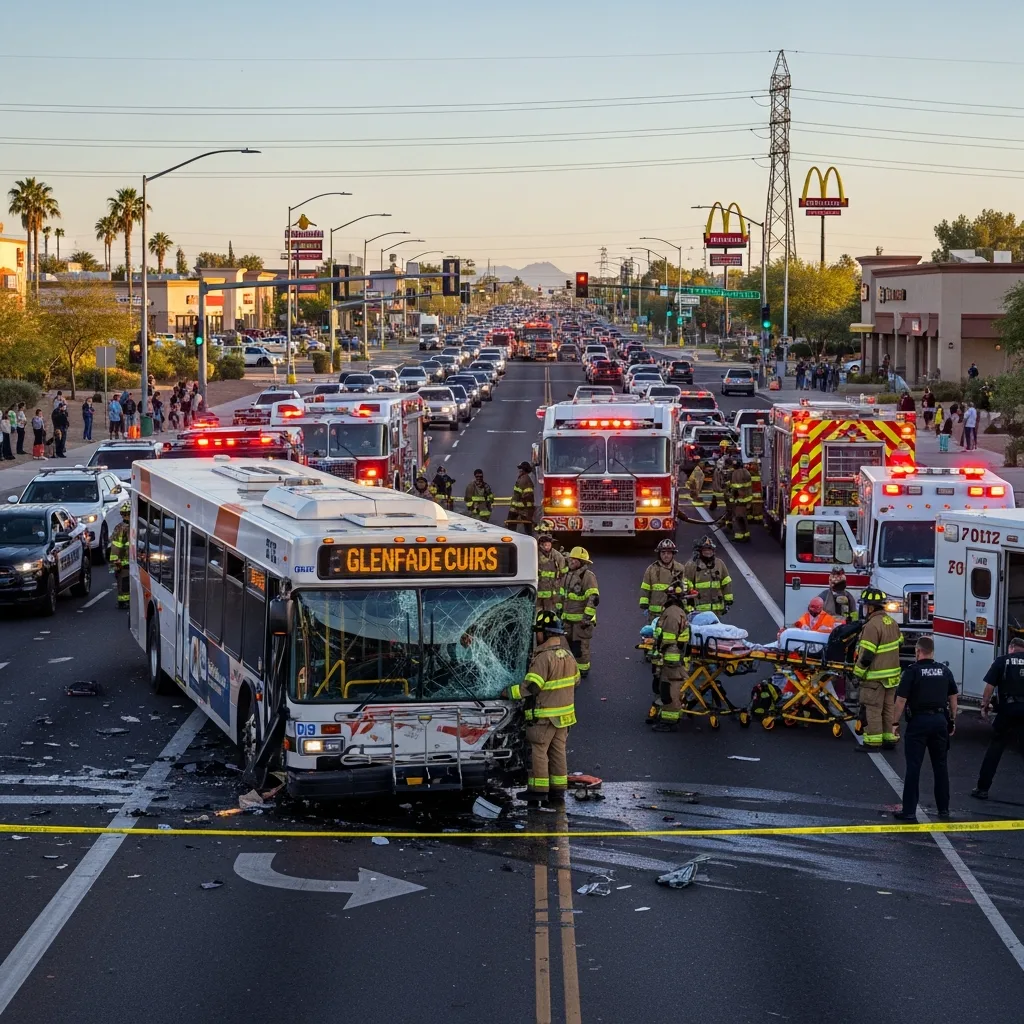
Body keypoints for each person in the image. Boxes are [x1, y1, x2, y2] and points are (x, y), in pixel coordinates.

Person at [502, 611, 579, 807]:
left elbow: (531, 688)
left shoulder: (544, 658)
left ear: (544, 633)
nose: (536, 636)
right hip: (564, 717)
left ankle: (538, 791)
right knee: (558, 752)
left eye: (538, 632)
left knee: (538, 751)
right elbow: (576, 681)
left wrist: (506, 692)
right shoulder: (568, 656)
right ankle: (557, 791)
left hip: (543, 717)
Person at [892, 635, 956, 820]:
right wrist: (952, 720)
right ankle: (943, 809)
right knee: (941, 767)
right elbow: (953, 697)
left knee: (913, 767)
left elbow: (901, 700)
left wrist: (895, 723)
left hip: (918, 723)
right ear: (933, 652)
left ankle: (909, 811)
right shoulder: (944, 670)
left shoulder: (912, 671)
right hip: (939, 722)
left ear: (917, 651)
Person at [971, 638, 1024, 800]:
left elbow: (989, 687)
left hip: (1007, 710)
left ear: (1011, 647)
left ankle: (982, 789)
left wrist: (984, 705)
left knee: (995, 749)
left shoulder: (1002, 661)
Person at [853, 588, 903, 750]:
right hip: (893, 676)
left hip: (875, 677)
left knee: (873, 708)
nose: (865, 609)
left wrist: (857, 674)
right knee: (888, 708)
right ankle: (889, 738)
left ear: (871, 607)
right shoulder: (892, 623)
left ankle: (873, 741)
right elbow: (900, 643)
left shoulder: (871, 626)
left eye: (866, 606)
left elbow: (866, 655)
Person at [652, 581, 691, 733]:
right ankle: (668, 715)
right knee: (668, 687)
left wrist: (661, 657)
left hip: (672, 658)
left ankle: (670, 720)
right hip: (674, 656)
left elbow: (668, 638)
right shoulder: (677, 611)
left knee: (670, 688)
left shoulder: (672, 613)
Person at [562, 546, 599, 677]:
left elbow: (593, 598)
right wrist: (559, 612)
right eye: (571, 559)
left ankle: (583, 671)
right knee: (567, 645)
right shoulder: (567, 575)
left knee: (580, 647)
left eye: (575, 560)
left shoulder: (587, 576)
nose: (571, 562)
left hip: (581, 621)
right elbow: (563, 596)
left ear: (582, 562)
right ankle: (570, 670)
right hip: (567, 619)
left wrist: (586, 618)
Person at [683, 535, 734, 614]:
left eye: (710, 549)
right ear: (700, 551)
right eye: (705, 550)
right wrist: (688, 604)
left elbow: (726, 582)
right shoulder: (691, 565)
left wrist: (728, 601)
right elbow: (685, 584)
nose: (708, 552)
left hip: (716, 610)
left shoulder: (719, 564)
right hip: (698, 610)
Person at [639, 538, 686, 623]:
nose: (666, 555)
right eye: (663, 553)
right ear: (659, 554)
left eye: (668, 553)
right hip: (655, 613)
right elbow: (645, 588)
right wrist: (644, 604)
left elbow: (686, 588)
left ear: (673, 554)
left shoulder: (680, 569)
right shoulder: (651, 569)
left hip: (674, 613)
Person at [535, 523, 566, 614]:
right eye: (546, 545)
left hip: (550, 586)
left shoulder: (555, 554)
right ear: (540, 545)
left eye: (549, 545)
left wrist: (561, 575)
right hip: (538, 586)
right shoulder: (535, 553)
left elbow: (561, 562)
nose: (548, 547)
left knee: (549, 610)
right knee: (537, 608)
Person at [110, 501, 132, 608]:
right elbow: (115, 546)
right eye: (126, 514)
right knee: (123, 583)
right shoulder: (120, 529)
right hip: (123, 562)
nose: (127, 516)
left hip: (133, 561)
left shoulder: (135, 527)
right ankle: (123, 602)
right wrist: (116, 562)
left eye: (129, 513)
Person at [508, 461, 536, 535]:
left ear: (524, 470)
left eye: (521, 469)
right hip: (518, 508)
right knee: (525, 527)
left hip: (522, 508)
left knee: (526, 527)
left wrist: (523, 508)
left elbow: (528, 495)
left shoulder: (525, 480)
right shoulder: (522, 478)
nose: (519, 470)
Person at [729, 459, 753, 542]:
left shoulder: (736, 473)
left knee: (738, 518)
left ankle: (740, 536)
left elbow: (735, 487)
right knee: (743, 517)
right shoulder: (746, 472)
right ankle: (746, 534)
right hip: (746, 498)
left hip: (740, 500)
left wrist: (733, 498)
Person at [747, 459, 763, 525]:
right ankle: (757, 518)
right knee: (757, 507)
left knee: (750, 506)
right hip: (757, 492)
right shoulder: (759, 473)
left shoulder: (749, 472)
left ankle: (750, 518)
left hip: (751, 492)